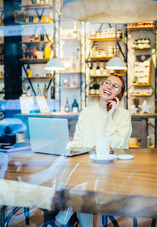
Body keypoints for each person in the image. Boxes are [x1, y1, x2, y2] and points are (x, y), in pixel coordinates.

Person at [47, 75, 132, 227]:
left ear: (120, 95)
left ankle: (60, 220)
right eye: (107, 83)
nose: (109, 87)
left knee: (80, 185)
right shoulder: (87, 112)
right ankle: (66, 221)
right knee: (77, 181)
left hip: (110, 171)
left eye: (115, 86)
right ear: (100, 86)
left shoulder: (124, 115)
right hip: (84, 168)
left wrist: (111, 116)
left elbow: (118, 146)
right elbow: (79, 141)